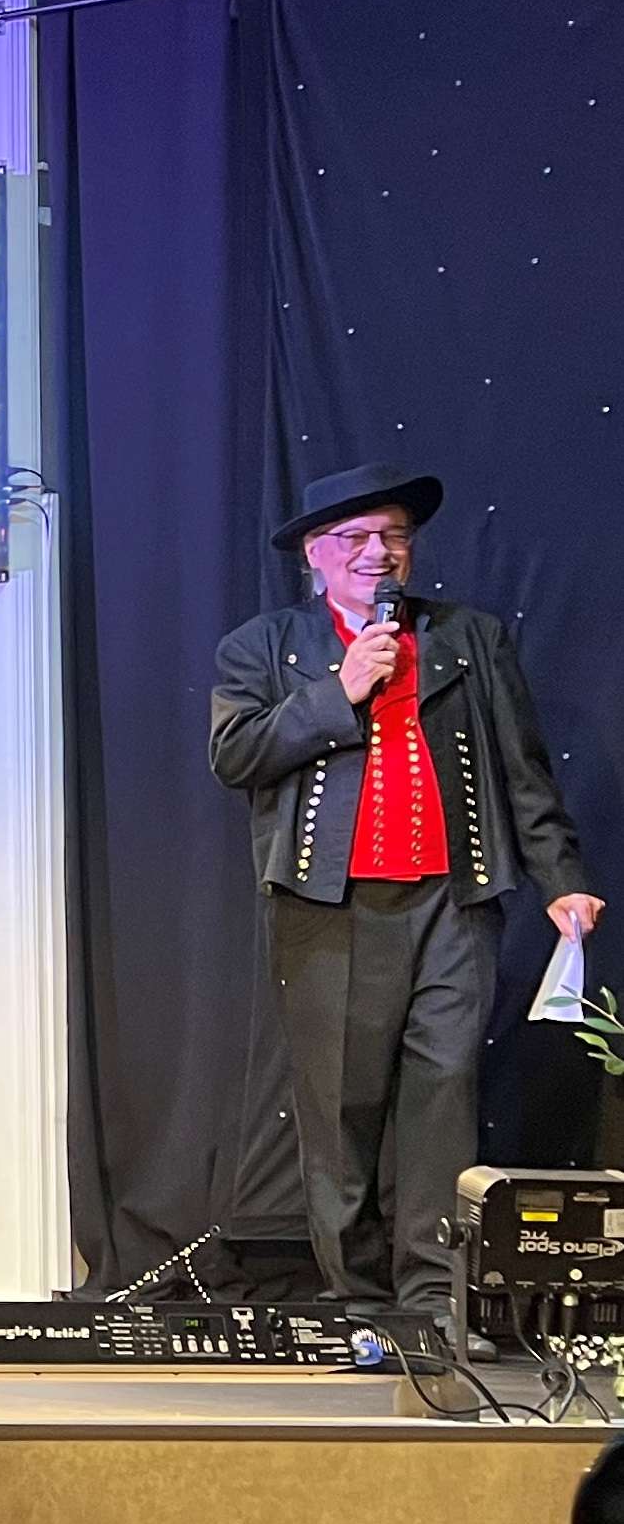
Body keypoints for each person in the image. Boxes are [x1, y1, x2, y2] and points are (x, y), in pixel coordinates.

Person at [210, 461, 601, 1325]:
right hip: (328, 909)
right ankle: (357, 1297)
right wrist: (339, 691)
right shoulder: (264, 646)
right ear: (314, 553)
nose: (376, 552)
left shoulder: (469, 637)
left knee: (443, 1092)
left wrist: (561, 879)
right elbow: (235, 755)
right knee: (340, 1103)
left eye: (391, 534)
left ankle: (431, 1298)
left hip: (451, 904)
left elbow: (523, 770)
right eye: (353, 537)